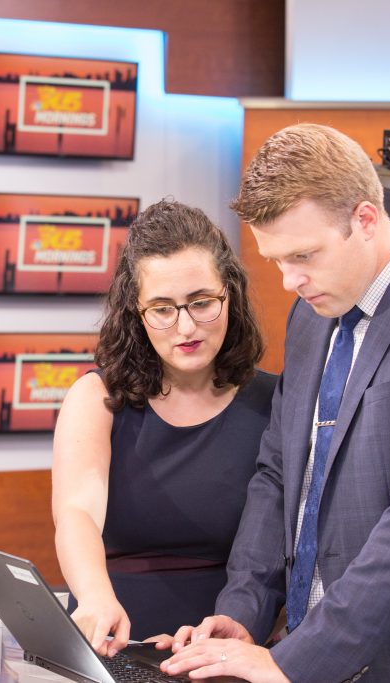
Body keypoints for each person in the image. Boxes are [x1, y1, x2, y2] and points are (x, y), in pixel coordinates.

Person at [160, 124, 390, 683]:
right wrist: (244, 610)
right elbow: (280, 473)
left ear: (365, 219)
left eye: (304, 255)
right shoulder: (312, 314)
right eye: (277, 260)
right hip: (304, 648)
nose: (290, 281)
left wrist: (296, 661)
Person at [51, 199, 277, 656]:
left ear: (230, 294)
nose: (186, 327)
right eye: (162, 309)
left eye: (202, 303)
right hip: (115, 646)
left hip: (225, 646)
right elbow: (77, 513)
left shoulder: (277, 401)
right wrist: (95, 597)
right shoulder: (97, 398)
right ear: (135, 311)